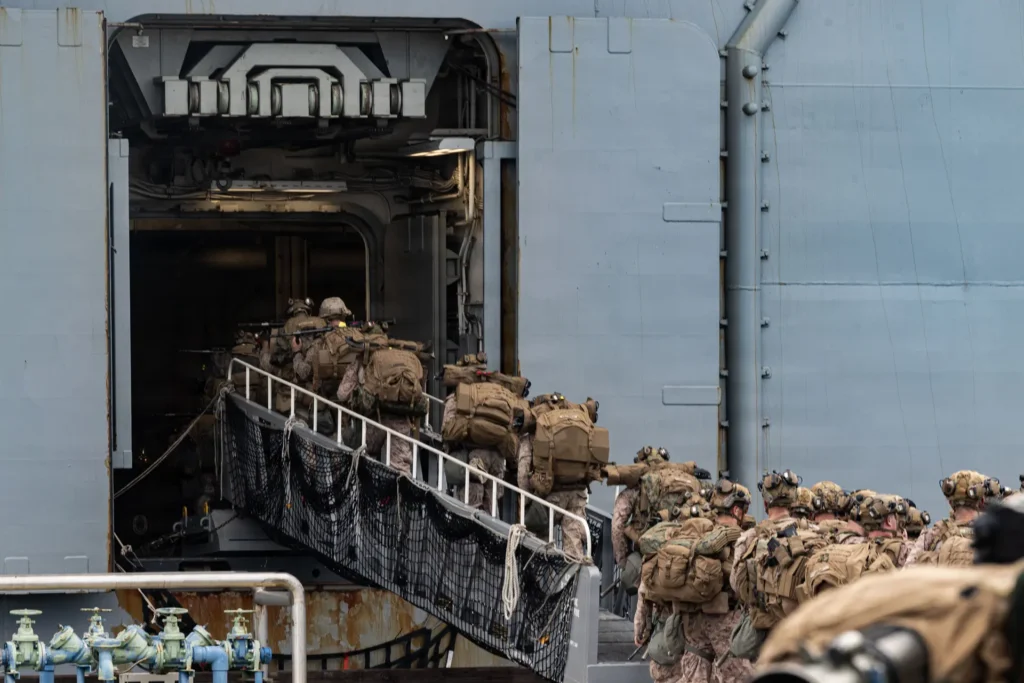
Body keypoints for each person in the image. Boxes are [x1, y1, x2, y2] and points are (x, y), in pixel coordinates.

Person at [680, 478, 754, 683]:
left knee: (694, 677)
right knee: (737, 676)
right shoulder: (742, 537)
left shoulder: (699, 532)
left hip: (693, 619)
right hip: (726, 620)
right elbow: (741, 584)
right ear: (738, 511)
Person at [517, 395, 605, 560]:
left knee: (539, 544)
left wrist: (528, 502)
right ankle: (573, 581)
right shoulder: (575, 429)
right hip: (577, 494)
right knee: (574, 548)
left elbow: (522, 474)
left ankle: (539, 580)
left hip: (548, 497)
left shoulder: (532, 436)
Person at [336, 336, 429, 477]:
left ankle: (368, 493)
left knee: (364, 458)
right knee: (400, 468)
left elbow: (342, 394)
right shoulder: (406, 359)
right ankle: (398, 496)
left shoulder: (365, 358)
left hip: (373, 421)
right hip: (402, 421)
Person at [440, 354, 511, 513]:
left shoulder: (458, 397)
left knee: (471, 511)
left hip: (472, 459)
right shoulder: (497, 395)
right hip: (497, 459)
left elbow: (447, 430)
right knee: (492, 511)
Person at [905, 469, 1000, 567]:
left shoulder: (933, 534)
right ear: (982, 500)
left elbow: (908, 573)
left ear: (950, 502)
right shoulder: (996, 531)